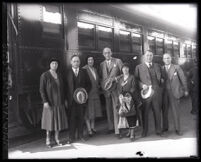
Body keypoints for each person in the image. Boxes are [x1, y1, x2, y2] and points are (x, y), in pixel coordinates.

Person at [39, 58, 68, 148]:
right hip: (50, 103)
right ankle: (48, 139)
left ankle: (57, 138)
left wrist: (64, 100)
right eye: (53, 63)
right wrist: (45, 101)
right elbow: (42, 90)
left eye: (56, 63)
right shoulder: (45, 75)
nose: (55, 65)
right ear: (49, 65)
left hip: (59, 102)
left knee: (58, 122)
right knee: (49, 121)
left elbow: (63, 89)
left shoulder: (59, 75)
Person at [135, 50, 164, 137]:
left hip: (156, 92)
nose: (149, 57)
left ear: (153, 56)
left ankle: (158, 130)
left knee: (157, 112)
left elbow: (162, 77)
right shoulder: (139, 67)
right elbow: (136, 80)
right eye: (147, 55)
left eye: (151, 55)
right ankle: (145, 131)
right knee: (145, 113)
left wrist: (161, 82)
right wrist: (142, 85)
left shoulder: (158, 66)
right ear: (144, 57)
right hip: (146, 93)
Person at [66, 55, 91, 143]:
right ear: (71, 62)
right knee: (72, 118)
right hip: (71, 101)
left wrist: (84, 92)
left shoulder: (84, 71)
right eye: (74, 61)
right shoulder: (67, 72)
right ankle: (71, 137)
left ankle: (80, 135)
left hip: (81, 100)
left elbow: (89, 84)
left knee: (81, 118)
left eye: (77, 61)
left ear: (79, 62)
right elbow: (64, 87)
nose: (76, 63)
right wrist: (65, 99)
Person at [161, 53, 188, 136]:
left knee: (175, 111)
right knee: (164, 112)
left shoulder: (176, 67)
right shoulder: (161, 68)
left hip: (174, 93)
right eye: (165, 58)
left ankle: (178, 129)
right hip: (164, 93)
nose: (167, 60)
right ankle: (165, 128)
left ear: (171, 59)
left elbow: (183, 78)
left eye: (168, 58)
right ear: (163, 60)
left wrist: (185, 89)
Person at [100, 47, 123, 138]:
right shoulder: (102, 64)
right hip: (106, 91)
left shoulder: (118, 61)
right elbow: (101, 77)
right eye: (105, 53)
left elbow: (124, 74)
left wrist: (115, 79)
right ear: (103, 54)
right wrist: (103, 86)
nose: (107, 54)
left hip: (116, 90)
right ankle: (111, 128)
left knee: (116, 110)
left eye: (109, 52)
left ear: (111, 53)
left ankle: (118, 131)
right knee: (109, 110)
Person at [116, 63, 142, 141]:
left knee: (132, 116)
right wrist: (121, 96)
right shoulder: (120, 79)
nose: (125, 69)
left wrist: (127, 96)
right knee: (126, 115)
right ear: (122, 70)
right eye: (124, 68)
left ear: (129, 69)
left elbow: (134, 88)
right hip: (122, 100)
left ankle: (132, 134)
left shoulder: (132, 77)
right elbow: (119, 89)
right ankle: (129, 131)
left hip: (131, 99)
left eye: (126, 68)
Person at [82, 56, 102, 137]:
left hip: (95, 93)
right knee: (88, 112)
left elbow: (97, 81)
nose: (91, 61)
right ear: (86, 61)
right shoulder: (84, 69)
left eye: (92, 59)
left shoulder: (94, 69)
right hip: (88, 94)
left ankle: (93, 127)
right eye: (89, 60)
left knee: (94, 112)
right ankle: (89, 129)